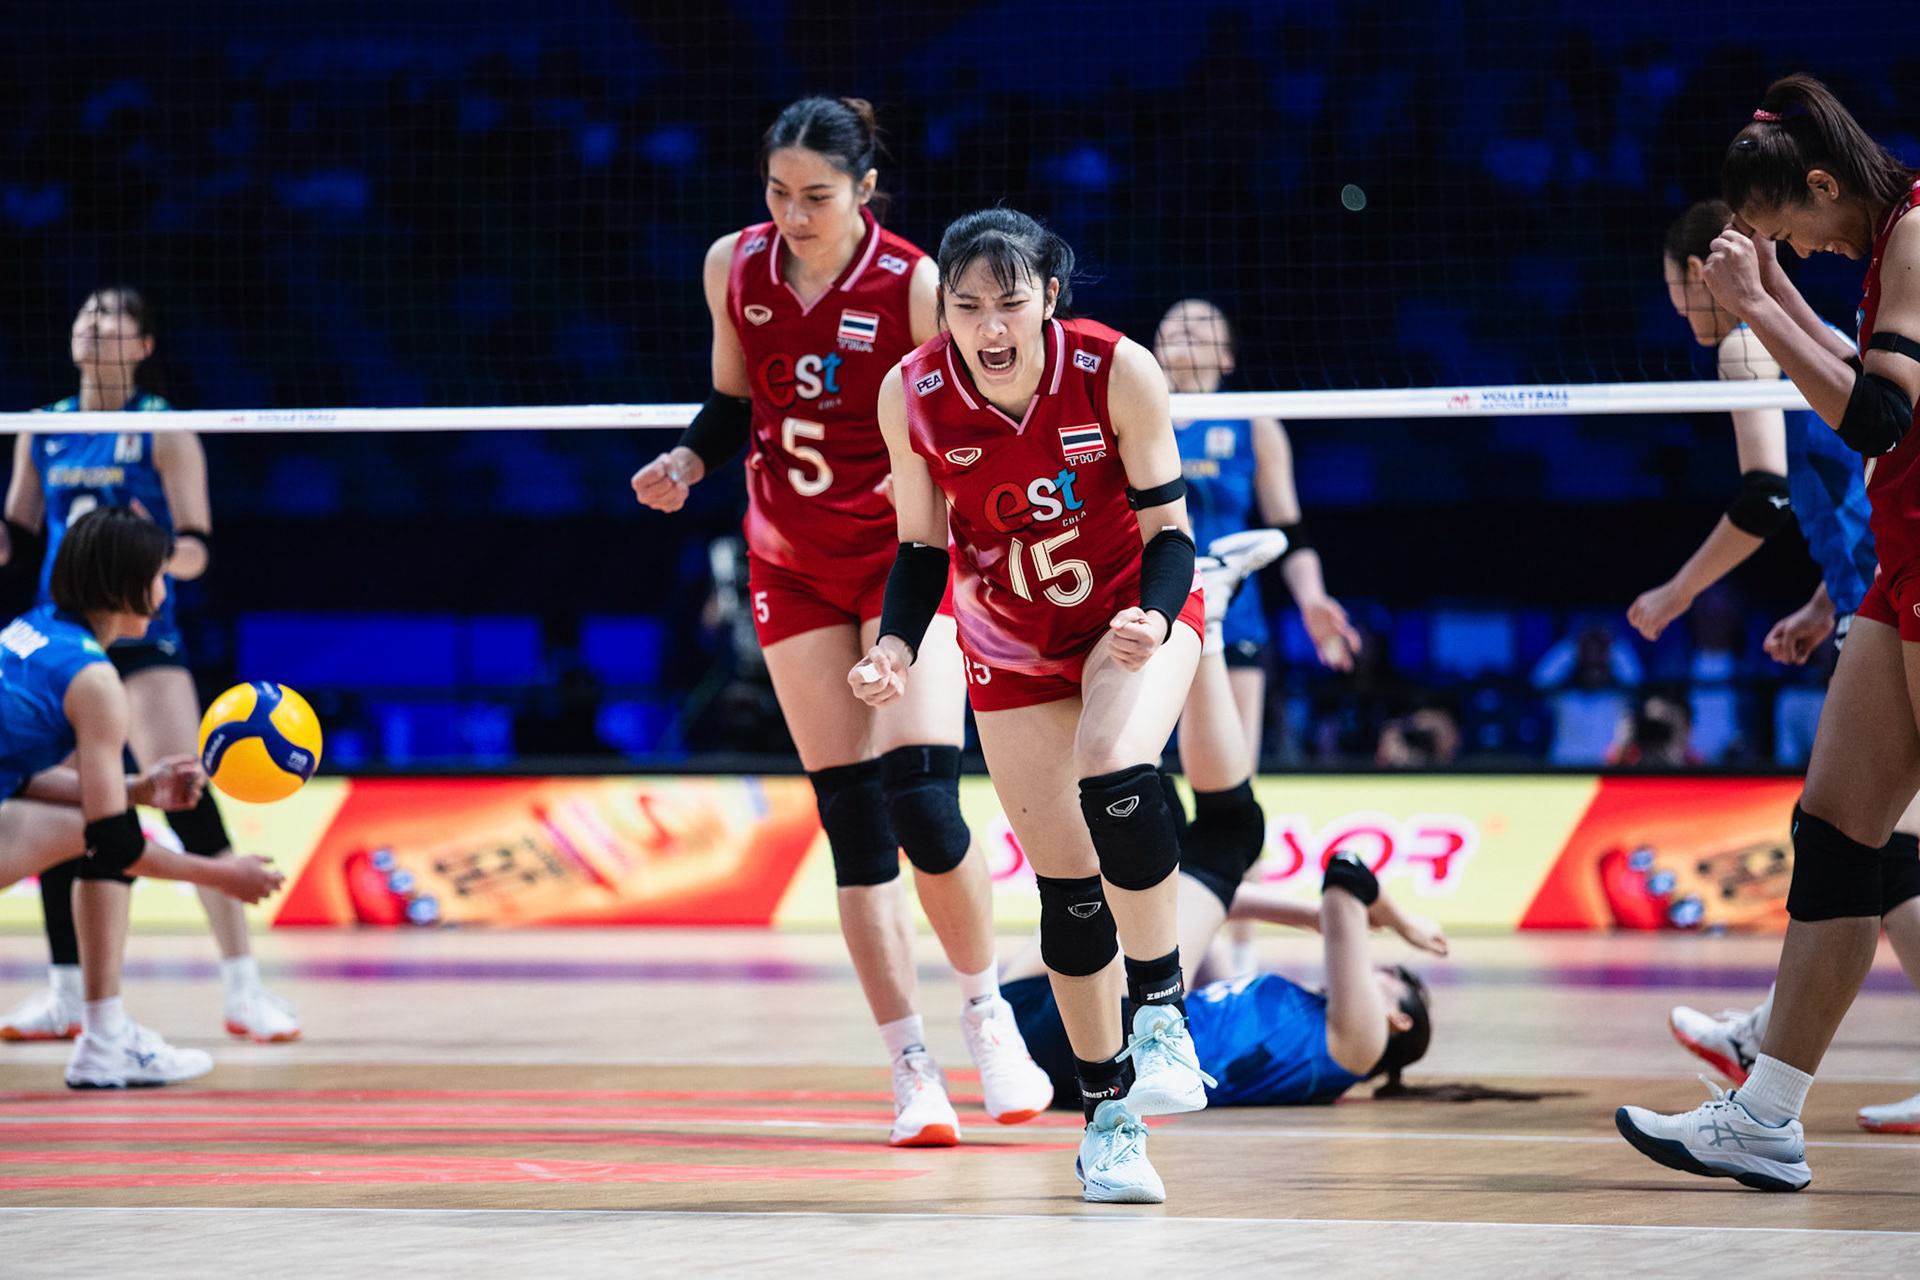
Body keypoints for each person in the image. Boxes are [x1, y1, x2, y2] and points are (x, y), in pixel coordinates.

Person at [630, 99, 1052, 1146]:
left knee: (925, 801)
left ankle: (988, 1013)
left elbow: (959, 413)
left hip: (905, 558)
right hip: (791, 563)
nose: (793, 213)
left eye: (816, 195)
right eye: (778, 192)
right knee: (853, 817)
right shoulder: (735, 265)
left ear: (865, 190)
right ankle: (911, 1065)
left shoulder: (911, 283)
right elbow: (734, 405)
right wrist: (687, 458)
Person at [852, 206, 1209, 1203]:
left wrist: (1152, 614)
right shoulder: (912, 392)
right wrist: (893, 646)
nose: (988, 325)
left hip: (1132, 613)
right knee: (1069, 890)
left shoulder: (1115, 369)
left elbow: (1173, 532)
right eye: (966, 306)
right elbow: (920, 548)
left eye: (1008, 302)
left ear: (1049, 297)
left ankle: (1162, 1011)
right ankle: (1109, 1125)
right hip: (1009, 643)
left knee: (1115, 765)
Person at [1616, 74, 1920, 1192]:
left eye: (1790, 227)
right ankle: (1766, 1117)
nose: (1799, 247)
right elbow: (1866, 401)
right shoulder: (1881, 246)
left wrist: (1756, 307)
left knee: (1883, 846)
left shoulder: (1916, 230)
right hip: (1897, 567)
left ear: (1825, 183)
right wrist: (1777, 294)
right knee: (1838, 834)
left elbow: (1878, 418)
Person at [0, 286, 300, 1044]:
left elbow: (196, 547)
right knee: (74, 811)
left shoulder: (163, 429)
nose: (91, 324)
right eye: (84, 315)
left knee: (186, 793)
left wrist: (153, 554)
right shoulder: (42, 427)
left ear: (142, 346)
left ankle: (245, 988)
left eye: (111, 317)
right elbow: (17, 534)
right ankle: (68, 996)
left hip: (142, 630)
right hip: (66, 637)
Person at [0, 506, 284, 1087]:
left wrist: (137, 788)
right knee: (103, 837)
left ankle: (102, 1041)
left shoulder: (31, 629)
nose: (164, 590)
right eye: (158, 575)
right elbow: (115, 845)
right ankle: (104, 1042)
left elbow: (20, 778)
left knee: (97, 823)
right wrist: (225, 875)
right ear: (124, 583)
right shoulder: (93, 680)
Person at [1152, 298, 1359, 979]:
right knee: (1138, 779)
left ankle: (1238, 966)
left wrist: (1313, 599)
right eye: (1172, 324)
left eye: (1202, 325)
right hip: (1147, 617)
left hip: (1231, 624)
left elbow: (1290, 530)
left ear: (1228, 355)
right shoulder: (1135, 410)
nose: (1183, 331)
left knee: (1232, 792)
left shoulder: (1254, 421)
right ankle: (1170, 945)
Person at [1002, 852, 1442, 1113]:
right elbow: (1212, 906)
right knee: (1159, 897)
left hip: (1121, 1051)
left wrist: (1402, 923)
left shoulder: (1361, 1044)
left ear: (1398, 1020)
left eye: (1393, 975)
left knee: (1166, 878)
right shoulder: (1293, 1026)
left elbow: (1347, 871)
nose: (1377, 966)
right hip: (1047, 1041)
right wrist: (1313, 917)